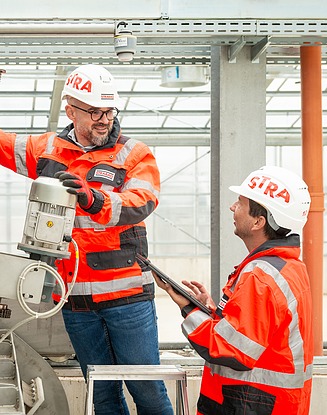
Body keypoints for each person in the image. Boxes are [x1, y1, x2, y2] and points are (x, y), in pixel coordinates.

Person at [0, 64, 173, 415]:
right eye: (94, 111)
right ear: (71, 110)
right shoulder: (47, 149)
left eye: (109, 111)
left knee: (148, 391)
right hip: (76, 301)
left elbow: (142, 202)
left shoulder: (134, 154)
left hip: (127, 298)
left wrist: (94, 199)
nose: (104, 119)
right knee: (103, 395)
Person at [154, 165, 313, 415]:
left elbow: (232, 350)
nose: (232, 207)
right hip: (267, 402)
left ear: (259, 221)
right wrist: (209, 309)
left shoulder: (260, 277)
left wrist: (187, 308)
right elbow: (256, 332)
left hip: (250, 403)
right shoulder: (287, 266)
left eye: (240, 203)